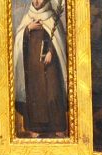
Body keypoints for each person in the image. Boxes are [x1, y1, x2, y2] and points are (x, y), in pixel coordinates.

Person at [12, 0, 68, 138]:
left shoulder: (52, 17)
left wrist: (51, 52)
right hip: (33, 67)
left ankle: (58, 126)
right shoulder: (27, 18)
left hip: (50, 67)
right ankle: (34, 128)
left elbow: (58, 40)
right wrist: (28, 29)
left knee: (53, 94)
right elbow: (19, 41)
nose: (37, 1)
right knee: (35, 96)